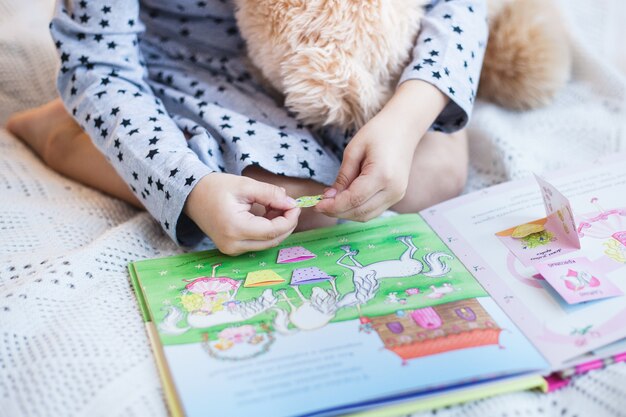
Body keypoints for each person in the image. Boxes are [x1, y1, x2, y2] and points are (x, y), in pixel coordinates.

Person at [7, 0, 487, 255]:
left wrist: (407, 115)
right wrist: (192, 191)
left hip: (336, 55)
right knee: (294, 208)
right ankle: (67, 135)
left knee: (434, 176)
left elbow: (457, 6)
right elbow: (100, 65)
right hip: (198, 66)